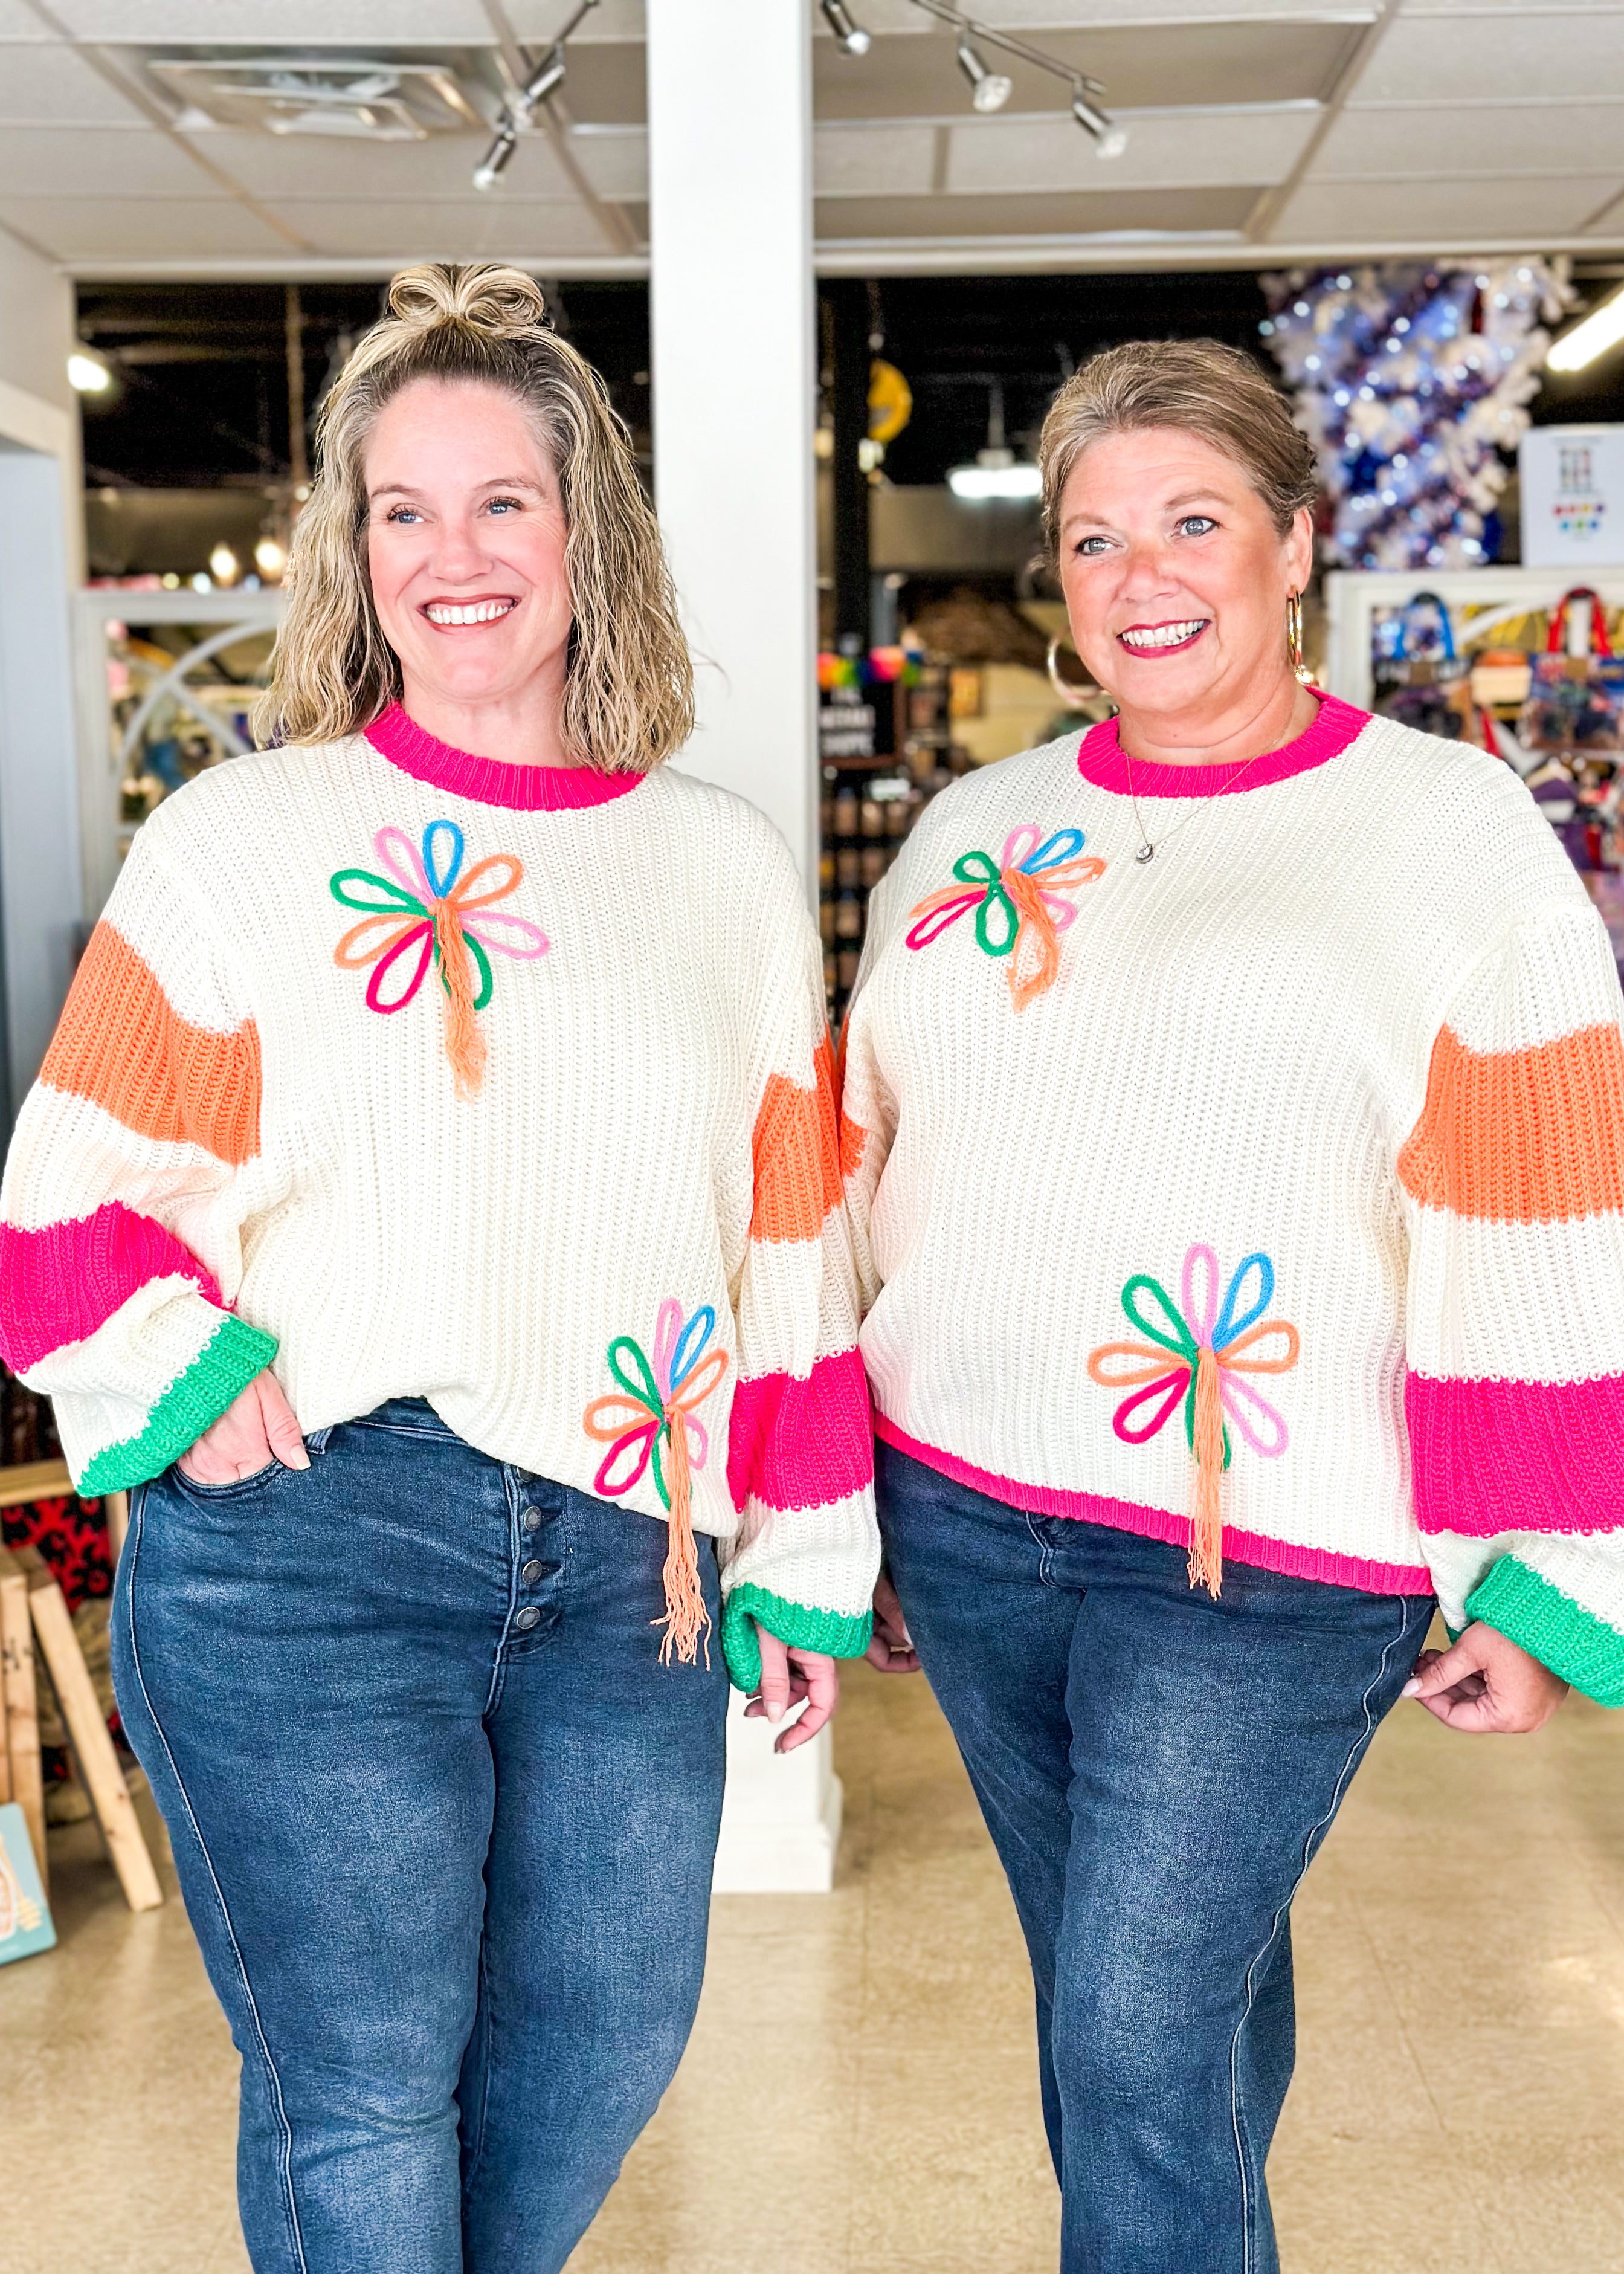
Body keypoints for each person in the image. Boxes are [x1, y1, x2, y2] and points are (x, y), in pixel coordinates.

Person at [0, 263, 878, 2274]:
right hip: (318, 1539)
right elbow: (63, 1205)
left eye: (504, 503)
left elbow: (790, 1235)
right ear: (353, 550)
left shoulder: (724, 868)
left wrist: (813, 1555)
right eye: (404, 509)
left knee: (602, 2038)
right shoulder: (244, 838)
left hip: (629, 1563)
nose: (452, 555)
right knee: (372, 2080)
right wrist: (192, 1382)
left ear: (591, 539)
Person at [841, 337, 1624, 2273]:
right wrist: (821, 1498)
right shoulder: (968, 831)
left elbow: (1543, 1198)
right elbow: (862, 1161)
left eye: (1194, 521)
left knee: (1127, 2031)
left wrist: (1543, 1571)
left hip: (1269, 1552)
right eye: (1098, 538)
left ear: (1294, 542)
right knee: (1150, 2019)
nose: (1144, 574)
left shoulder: (1451, 835)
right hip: (965, 1509)